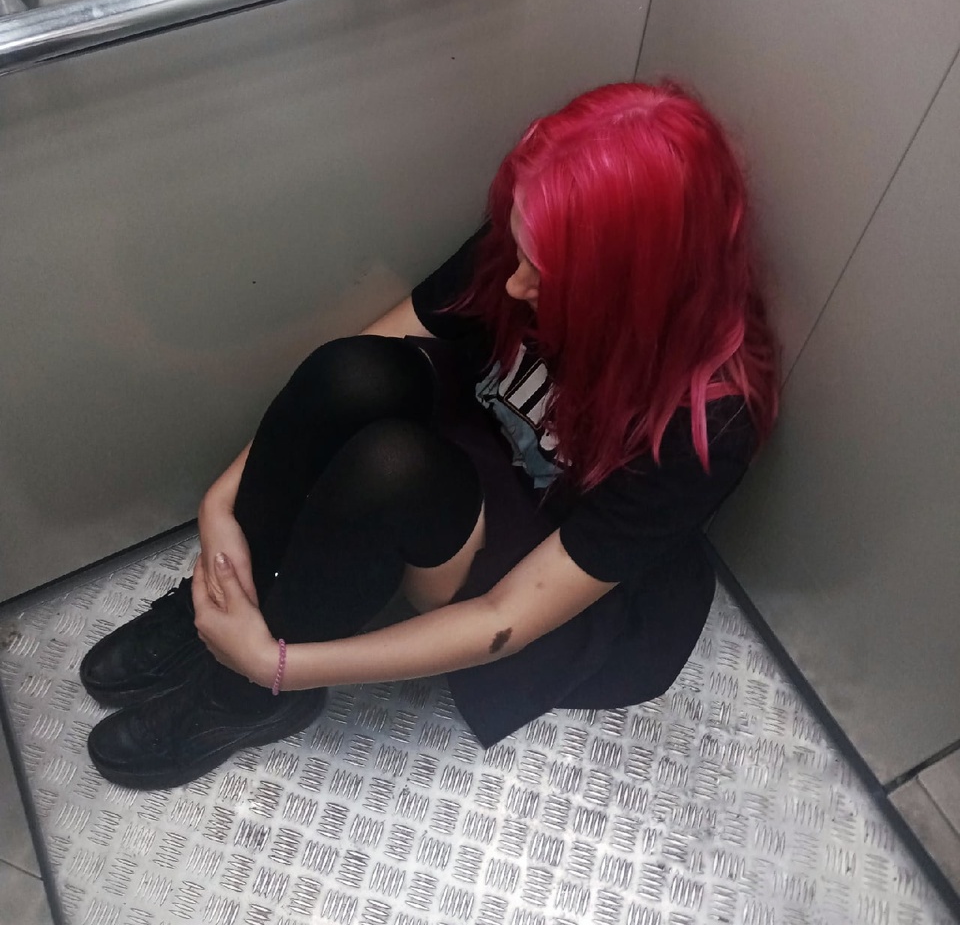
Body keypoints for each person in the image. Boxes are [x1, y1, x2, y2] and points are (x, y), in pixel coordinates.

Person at [81, 80, 778, 791]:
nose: (515, 285)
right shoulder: (535, 252)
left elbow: (509, 616)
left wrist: (274, 666)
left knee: (391, 470)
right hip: (482, 447)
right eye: (521, 249)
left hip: (550, 567)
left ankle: (250, 697)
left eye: (544, 273)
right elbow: (374, 348)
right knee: (350, 373)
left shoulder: (707, 429)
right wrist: (220, 508)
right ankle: (231, 596)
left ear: (627, 291)